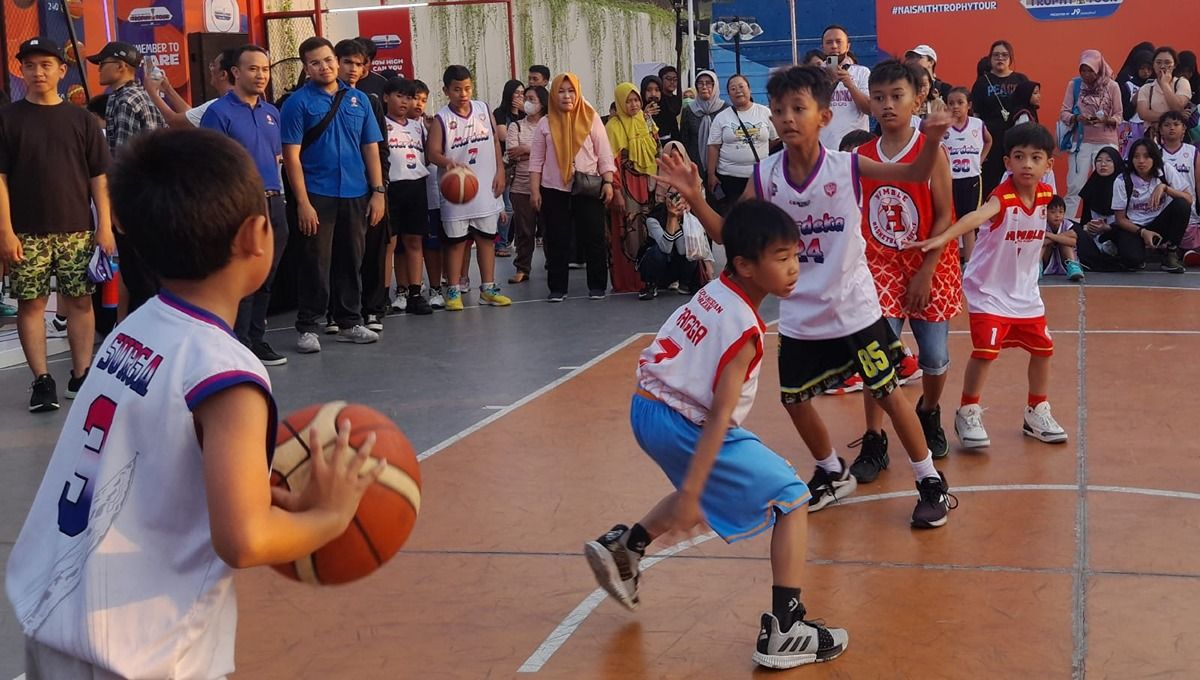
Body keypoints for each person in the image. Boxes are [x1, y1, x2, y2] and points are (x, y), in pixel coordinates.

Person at [5, 128, 385, 679]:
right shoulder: (226, 371)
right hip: (142, 647)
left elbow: (149, 458)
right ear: (258, 235)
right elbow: (245, 539)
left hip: (58, 615)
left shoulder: (132, 331)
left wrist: (261, 488)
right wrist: (331, 516)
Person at [654, 65, 958, 527]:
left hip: (854, 309)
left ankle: (929, 479)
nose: (788, 117)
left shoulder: (848, 166)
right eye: (779, 110)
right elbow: (731, 239)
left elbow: (915, 171)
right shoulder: (767, 176)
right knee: (794, 399)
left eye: (799, 108)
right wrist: (696, 196)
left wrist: (932, 137)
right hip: (800, 312)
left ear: (823, 117)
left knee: (889, 393)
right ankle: (832, 470)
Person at [583, 199, 848, 670]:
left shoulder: (718, 289)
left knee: (703, 484)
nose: (794, 267)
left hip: (647, 408)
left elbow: (731, 238)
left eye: (794, 255)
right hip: (682, 419)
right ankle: (786, 629)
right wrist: (691, 493)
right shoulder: (745, 330)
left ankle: (628, 546)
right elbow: (722, 414)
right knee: (792, 497)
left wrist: (694, 489)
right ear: (746, 265)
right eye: (782, 258)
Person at [909, 123, 1067, 449]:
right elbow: (976, 217)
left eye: (1035, 158)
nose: (1026, 164)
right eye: (1019, 157)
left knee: (1044, 350)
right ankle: (968, 410)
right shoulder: (1003, 197)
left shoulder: (1046, 196)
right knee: (985, 352)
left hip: (1024, 292)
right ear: (1007, 162)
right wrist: (943, 237)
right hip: (988, 291)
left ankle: (1036, 409)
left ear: (1048, 165)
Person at [851, 60, 960, 480]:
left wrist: (926, 270)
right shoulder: (860, 156)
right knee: (877, 358)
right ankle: (874, 437)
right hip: (879, 264)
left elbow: (945, 216)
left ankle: (929, 411)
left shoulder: (932, 150)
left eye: (897, 96)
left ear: (918, 98)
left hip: (929, 261)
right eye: (878, 97)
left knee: (934, 356)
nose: (887, 105)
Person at [0, 37, 114, 412]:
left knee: (80, 302)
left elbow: (99, 177)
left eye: (46, 65)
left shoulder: (81, 119)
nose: (38, 72)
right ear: (21, 70)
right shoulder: (9, 118)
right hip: (25, 232)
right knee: (31, 304)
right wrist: (5, 231)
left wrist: (106, 226)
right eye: (30, 65)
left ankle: (81, 374)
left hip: (77, 229)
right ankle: (41, 381)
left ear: (62, 71)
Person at [280, 36, 385, 353]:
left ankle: (350, 321)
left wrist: (378, 191)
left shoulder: (359, 101)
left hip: (356, 192)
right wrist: (302, 203)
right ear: (306, 68)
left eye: (328, 60)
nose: (324, 66)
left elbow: (371, 148)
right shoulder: (297, 104)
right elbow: (291, 157)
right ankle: (308, 326)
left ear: (336, 61)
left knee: (351, 258)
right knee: (315, 261)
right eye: (315, 62)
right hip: (316, 194)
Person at [200, 44, 290, 366]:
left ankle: (257, 338)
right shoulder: (218, 113)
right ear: (235, 73)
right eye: (253, 69)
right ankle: (236, 344)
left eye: (265, 69)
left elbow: (276, 159)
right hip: (240, 205)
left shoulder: (271, 113)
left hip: (274, 202)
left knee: (267, 274)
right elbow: (209, 164)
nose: (261, 75)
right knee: (241, 277)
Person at [87, 41, 166, 317]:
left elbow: (120, 160)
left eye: (103, 63)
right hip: (154, 199)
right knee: (151, 278)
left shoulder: (123, 100)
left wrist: (116, 208)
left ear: (121, 67)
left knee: (140, 280)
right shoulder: (143, 97)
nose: (98, 69)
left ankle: (150, 343)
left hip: (135, 202)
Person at [426, 65, 513, 310]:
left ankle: (488, 288)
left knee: (486, 239)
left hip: (485, 185)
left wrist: (500, 171)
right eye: (456, 89)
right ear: (446, 90)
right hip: (456, 191)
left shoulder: (484, 109)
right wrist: (448, 162)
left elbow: (495, 141)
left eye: (467, 88)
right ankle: (453, 290)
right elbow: (432, 153)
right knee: (456, 242)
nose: (463, 94)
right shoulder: (442, 119)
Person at [529, 72, 616, 301]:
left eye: (571, 91)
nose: (566, 96)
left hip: (588, 185)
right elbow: (536, 160)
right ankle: (557, 288)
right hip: (553, 189)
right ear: (553, 94)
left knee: (594, 236)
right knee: (557, 238)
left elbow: (604, 153)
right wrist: (535, 190)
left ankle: (597, 286)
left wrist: (608, 182)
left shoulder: (591, 118)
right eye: (561, 91)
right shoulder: (545, 123)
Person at [332, 38, 391, 334]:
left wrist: (380, 189)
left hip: (370, 188)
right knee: (338, 253)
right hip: (331, 191)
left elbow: (379, 148)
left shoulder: (371, 99)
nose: (354, 69)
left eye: (359, 63)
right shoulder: (312, 97)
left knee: (374, 251)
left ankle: (373, 309)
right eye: (347, 62)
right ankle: (336, 312)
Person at [383, 77, 435, 315]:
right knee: (389, 244)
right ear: (386, 97)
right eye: (399, 96)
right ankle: (383, 294)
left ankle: (415, 292)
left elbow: (430, 155)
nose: (404, 101)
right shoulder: (380, 124)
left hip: (415, 187)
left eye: (408, 97)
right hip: (390, 188)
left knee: (414, 241)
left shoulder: (418, 126)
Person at [606, 81, 658, 294]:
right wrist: (616, 190)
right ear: (619, 102)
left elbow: (657, 149)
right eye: (628, 101)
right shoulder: (613, 126)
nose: (634, 104)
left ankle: (651, 278)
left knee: (648, 230)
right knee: (628, 231)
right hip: (626, 188)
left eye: (636, 99)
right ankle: (629, 281)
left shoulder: (645, 121)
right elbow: (611, 163)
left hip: (648, 185)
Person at [1111, 137, 1192, 273]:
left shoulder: (1165, 170)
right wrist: (1143, 232)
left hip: (1159, 223)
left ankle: (1170, 252)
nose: (1141, 161)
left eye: (1146, 156)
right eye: (1136, 157)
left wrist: (1165, 188)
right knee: (1132, 261)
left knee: (1181, 204)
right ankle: (1128, 249)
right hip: (1134, 227)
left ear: (1154, 158)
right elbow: (1120, 219)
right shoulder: (1122, 180)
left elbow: (1189, 199)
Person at [1060, 50, 1123, 219]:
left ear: (1099, 68)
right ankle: (1066, 225)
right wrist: (1078, 118)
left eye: (1090, 70)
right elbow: (1064, 113)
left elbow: (1119, 116)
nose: (1086, 74)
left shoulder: (1112, 86)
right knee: (1075, 186)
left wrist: (1105, 120)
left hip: (1106, 143)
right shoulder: (1074, 85)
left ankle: (1107, 223)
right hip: (1081, 142)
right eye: (1083, 70)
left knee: (1106, 184)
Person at [707, 74, 778, 203]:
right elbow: (713, 146)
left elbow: (775, 139)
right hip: (729, 178)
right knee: (734, 216)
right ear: (728, 94)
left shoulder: (765, 112)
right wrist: (711, 174)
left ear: (749, 89)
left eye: (741, 86)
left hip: (759, 176)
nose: (738, 91)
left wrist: (759, 150)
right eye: (733, 89)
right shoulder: (721, 117)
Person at [971, 39, 1028, 196]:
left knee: (1016, 176)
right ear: (990, 58)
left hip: (1016, 138)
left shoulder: (1021, 80)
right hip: (990, 140)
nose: (1000, 58)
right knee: (990, 180)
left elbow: (1029, 110)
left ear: (1011, 58)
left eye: (1004, 55)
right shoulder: (982, 83)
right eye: (996, 55)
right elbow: (976, 116)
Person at [942, 86, 993, 261]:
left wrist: (981, 158)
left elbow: (989, 140)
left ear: (969, 105)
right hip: (950, 180)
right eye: (951, 103)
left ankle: (969, 262)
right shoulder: (944, 127)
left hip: (972, 178)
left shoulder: (977, 124)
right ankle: (953, 260)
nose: (955, 106)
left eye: (960, 102)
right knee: (951, 222)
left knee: (969, 222)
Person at [506, 85, 546, 284]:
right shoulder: (516, 126)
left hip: (547, 185)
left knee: (550, 229)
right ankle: (522, 268)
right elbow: (512, 151)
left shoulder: (550, 125)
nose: (527, 102)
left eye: (532, 99)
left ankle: (554, 264)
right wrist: (535, 151)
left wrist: (526, 149)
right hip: (521, 186)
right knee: (525, 231)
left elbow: (553, 150)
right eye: (525, 98)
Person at [818, 25, 871, 150]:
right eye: (829, 42)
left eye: (838, 41)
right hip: (823, 149)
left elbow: (870, 109)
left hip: (855, 149)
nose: (834, 46)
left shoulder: (862, 72)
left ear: (848, 46)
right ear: (823, 47)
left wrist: (850, 85)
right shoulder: (813, 75)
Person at [1074, 146, 1125, 272]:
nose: (1103, 164)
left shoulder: (1124, 185)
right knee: (1072, 228)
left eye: (1108, 160)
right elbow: (1085, 219)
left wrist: (1107, 228)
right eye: (1099, 160)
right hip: (1095, 236)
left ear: (1116, 163)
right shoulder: (1092, 186)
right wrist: (1088, 228)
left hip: (1117, 234)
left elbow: (1130, 220)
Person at [493, 79, 525, 257]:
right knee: (507, 206)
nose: (520, 97)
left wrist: (523, 111)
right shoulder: (499, 113)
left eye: (523, 93)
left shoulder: (524, 115)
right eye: (517, 93)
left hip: (523, 165)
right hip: (506, 165)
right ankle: (501, 243)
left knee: (521, 207)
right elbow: (503, 135)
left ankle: (516, 241)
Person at [678, 70, 726, 181]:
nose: (704, 87)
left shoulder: (725, 109)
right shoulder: (689, 110)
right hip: (695, 164)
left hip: (721, 164)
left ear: (715, 86)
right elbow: (685, 139)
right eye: (700, 83)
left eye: (708, 83)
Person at [1041, 195, 1085, 281]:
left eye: (1061, 212)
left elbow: (1073, 242)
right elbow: (1040, 242)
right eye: (1053, 212)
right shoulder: (1042, 224)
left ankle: (1073, 267)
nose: (1057, 215)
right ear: (1045, 212)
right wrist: (1061, 237)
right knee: (1044, 246)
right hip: (1047, 260)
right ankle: (1037, 267)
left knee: (1065, 243)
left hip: (1064, 260)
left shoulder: (1067, 224)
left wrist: (1050, 236)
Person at [655, 65, 682, 145]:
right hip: (659, 142)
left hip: (675, 139)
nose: (672, 82)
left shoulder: (676, 99)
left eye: (675, 79)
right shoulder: (657, 99)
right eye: (669, 79)